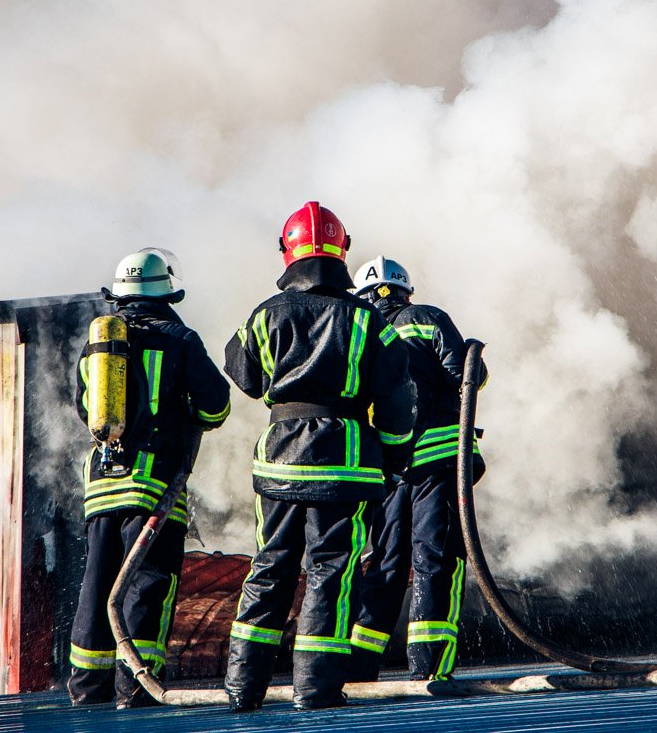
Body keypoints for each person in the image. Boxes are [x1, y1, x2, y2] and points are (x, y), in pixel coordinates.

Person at [222, 202, 416, 711]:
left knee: (271, 565)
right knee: (333, 570)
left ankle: (244, 689)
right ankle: (316, 689)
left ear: (288, 252)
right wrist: (394, 457)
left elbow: (241, 373)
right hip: (347, 463)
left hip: (279, 461)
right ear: (341, 251)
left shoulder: (265, 314)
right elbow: (397, 402)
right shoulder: (371, 321)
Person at [67, 247, 231, 709]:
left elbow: (85, 406)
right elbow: (216, 405)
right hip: (155, 485)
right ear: (166, 293)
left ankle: (87, 686)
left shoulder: (99, 343)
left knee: (98, 582)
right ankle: (135, 687)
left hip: (101, 483)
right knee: (147, 584)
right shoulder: (181, 339)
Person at [346, 255, 487, 683]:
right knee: (435, 558)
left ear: (365, 295)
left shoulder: (360, 331)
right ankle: (430, 670)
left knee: (385, 564)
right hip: (440, 463)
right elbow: (467, 374)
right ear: (405, 290)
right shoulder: (426, 317)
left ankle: (359, 668)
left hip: (389, 470)